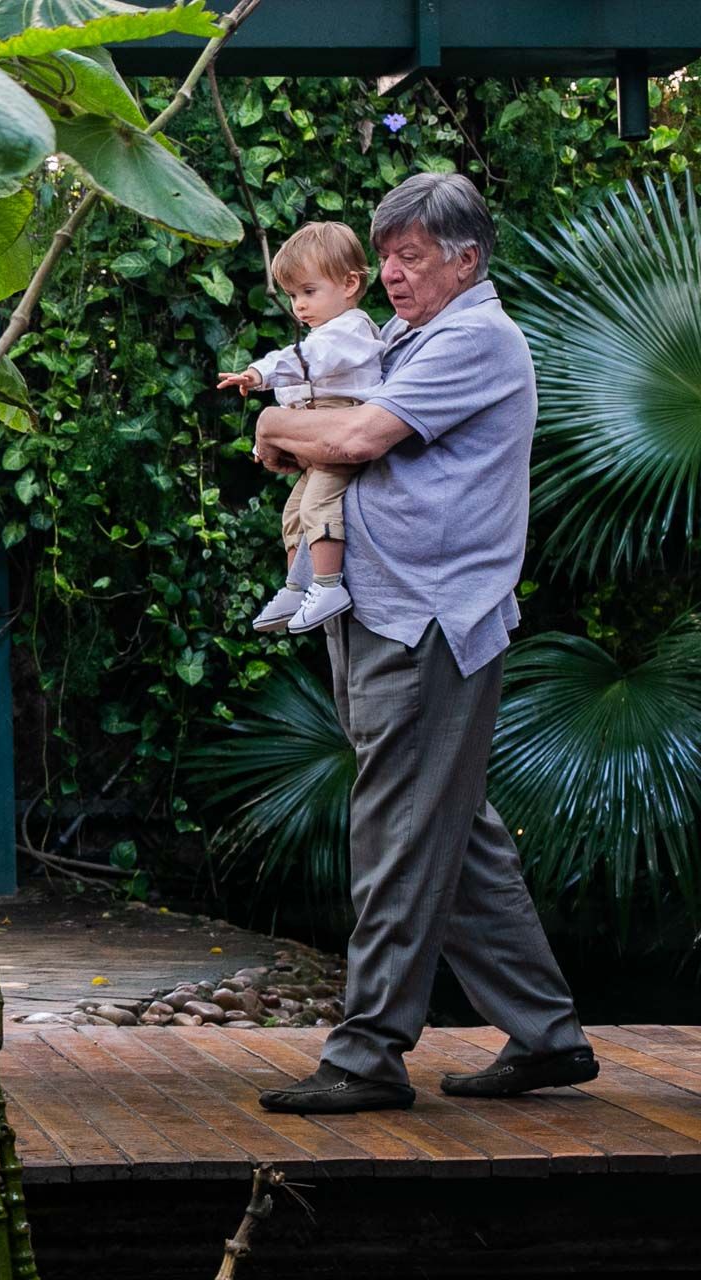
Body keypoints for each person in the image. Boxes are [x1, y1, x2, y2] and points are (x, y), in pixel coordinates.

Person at [248, 173, 596, 1114]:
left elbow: (355, 436)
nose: (392, 274)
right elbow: (338, 429)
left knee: (400, 831)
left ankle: (367, 1056)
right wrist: (308, 431)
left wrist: (276, 422)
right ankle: (547, 1035)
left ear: (466, 260)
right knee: (453, 830)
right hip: (384, 610)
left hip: (430, 622)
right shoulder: (410, 336)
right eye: (387, 256)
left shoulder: (476, 338)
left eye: (412, 257)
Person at [217, 222, 386, 635]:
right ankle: (297, 586)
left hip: (341, 425)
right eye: (293, 296)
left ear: (349, 284)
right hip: (318, 428)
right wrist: (272, 438)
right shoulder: (324, 335)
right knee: (293, 513)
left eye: (309, 292)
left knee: (316, 506)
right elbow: (297, 392)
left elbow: (306, 361)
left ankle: (328, 585)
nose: (299, 306)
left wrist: (259, 373)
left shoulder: (350, 330)